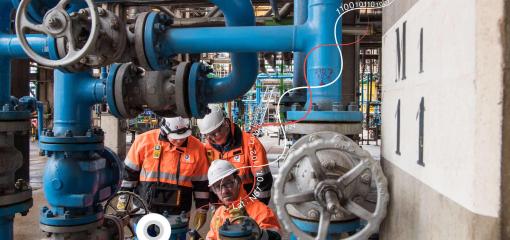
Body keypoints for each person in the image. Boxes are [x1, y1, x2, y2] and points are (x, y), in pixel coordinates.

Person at [119, 116, 209, 233]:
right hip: (144, 213)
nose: (179, 141)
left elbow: (201, 184)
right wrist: (122, 202)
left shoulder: (197, 148)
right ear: (164, 131)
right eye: (175, 138)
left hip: (178, 217)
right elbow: (129, 176)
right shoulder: (143, 141)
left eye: (183, 137)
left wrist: (202, 209)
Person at [197, 106, 273, 205]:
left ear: (226, 124)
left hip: (247, 204)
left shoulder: (251, 144)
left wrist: (255, 209)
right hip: (222, 207)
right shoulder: (207, 148)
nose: (214, 138)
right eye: (208, 135)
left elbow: (263, 181)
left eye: (216, 133)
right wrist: (215, 206)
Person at [206, 160, 281, 240]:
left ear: (238, 181)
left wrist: (258, 234)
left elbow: (275, 236)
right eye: (218, 187)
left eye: (228, 183)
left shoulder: (261, 211)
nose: (224, 191)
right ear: (214, 190)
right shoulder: (218, 214)